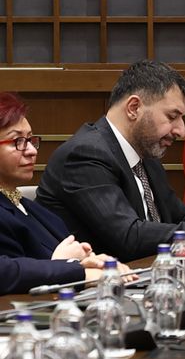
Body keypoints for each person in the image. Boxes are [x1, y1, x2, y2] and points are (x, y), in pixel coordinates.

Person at [37, 61, 185, 262]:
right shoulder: (85, 155)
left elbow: (179, 214)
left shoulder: (144, 154)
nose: (181, 131)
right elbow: (128, 236)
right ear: (134, 108)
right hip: (95, 279)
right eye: (172, 116)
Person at [0, 92, 131, 294]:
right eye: (17, 141)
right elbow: (7, 273)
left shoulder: (33, 209)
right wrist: (74, 270)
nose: (32, 150)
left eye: (30, 140)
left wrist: (89, 262)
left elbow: (64, 256)